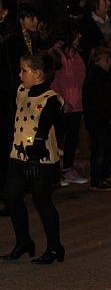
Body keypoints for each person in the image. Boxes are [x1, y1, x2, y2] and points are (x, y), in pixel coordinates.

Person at [1, 50, 65, 264]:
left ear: (38, 74)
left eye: (24, 71)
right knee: (10, 196)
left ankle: (55, 247)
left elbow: (43, 129)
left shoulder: (51, 100)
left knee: (42, 202)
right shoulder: (21, 90)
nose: (21, 75)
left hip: (40, 159)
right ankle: (24, 241)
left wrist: (35, 151)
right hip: (18, 155)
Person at [51, 20, 88, 187]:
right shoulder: (56, 54)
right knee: (57, 139)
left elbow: (81, 82)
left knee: (72, 139)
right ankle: (53, 173)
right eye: (76, 33)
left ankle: (67, 169)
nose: (79, 36)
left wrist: (79, 101)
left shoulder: (77, 56)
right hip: (62, 105)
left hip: (76, 104)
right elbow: (54, 81)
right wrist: (62, 101)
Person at [82, 47, 111, 191]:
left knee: (108, 149)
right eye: (106, 60)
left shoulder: (105, 77)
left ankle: (105, 175)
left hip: (105, 118)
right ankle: (97, 178)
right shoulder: (94, 77)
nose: (109, 63)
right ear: (97, 61)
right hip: (98, 120)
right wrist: (109, 116)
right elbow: (98, 102)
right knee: (100, 149)